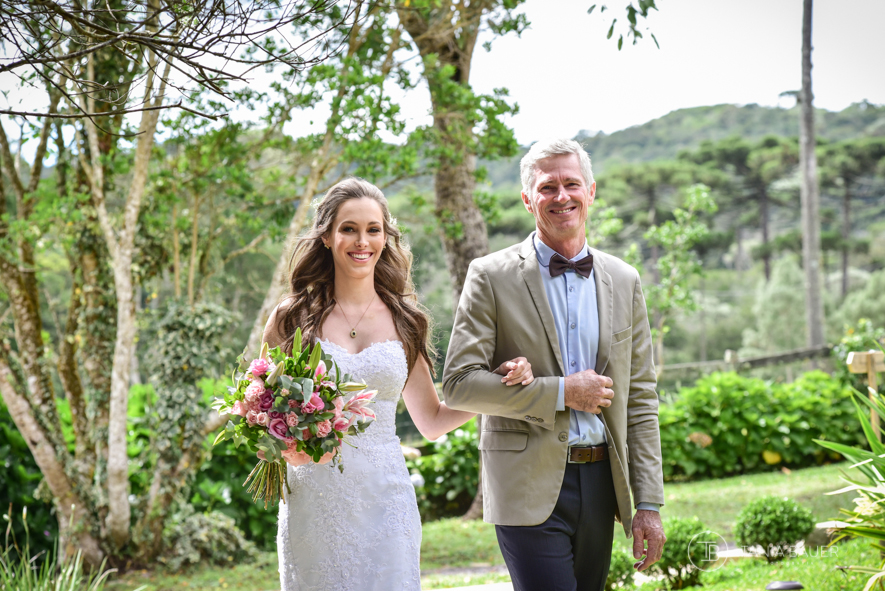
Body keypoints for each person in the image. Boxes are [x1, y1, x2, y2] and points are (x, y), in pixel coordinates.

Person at [261, 178, 534, 591]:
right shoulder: (292, 317)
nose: (362, 241)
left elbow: (431, 419)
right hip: (313, 499)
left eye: (374, 229)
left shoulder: (406, 320)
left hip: (387, 501)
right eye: (349, 228)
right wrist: (285, 445)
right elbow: (263, 410)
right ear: (327, 237)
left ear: (386, 238)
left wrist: (497, 387)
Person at [443, 138, 666, 591]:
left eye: (571, 184)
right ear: (528, 199)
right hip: (525, 484)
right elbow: (458, 385)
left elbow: (640, 399)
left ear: (591, 191)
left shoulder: (625, 280)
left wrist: (648, 503)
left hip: (604, 481)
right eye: (547, 188)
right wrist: (563, 391)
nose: (561, 196)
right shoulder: (490, 276)